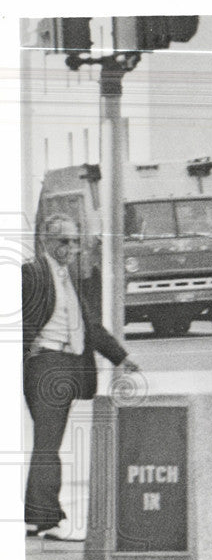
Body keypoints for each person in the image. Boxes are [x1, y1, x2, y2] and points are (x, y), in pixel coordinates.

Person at [22, 214, 140, 541]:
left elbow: (91, 327)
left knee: (48, 442)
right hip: (46, 362)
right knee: (49, 442)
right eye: (64, 241)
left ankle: (37, 517)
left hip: (66, 364)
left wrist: (122, 357)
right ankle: (47, 520)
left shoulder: (68, 278)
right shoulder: (31, 273)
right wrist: (27, 350)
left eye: (75, 241)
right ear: (46, 240)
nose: (72, 248)